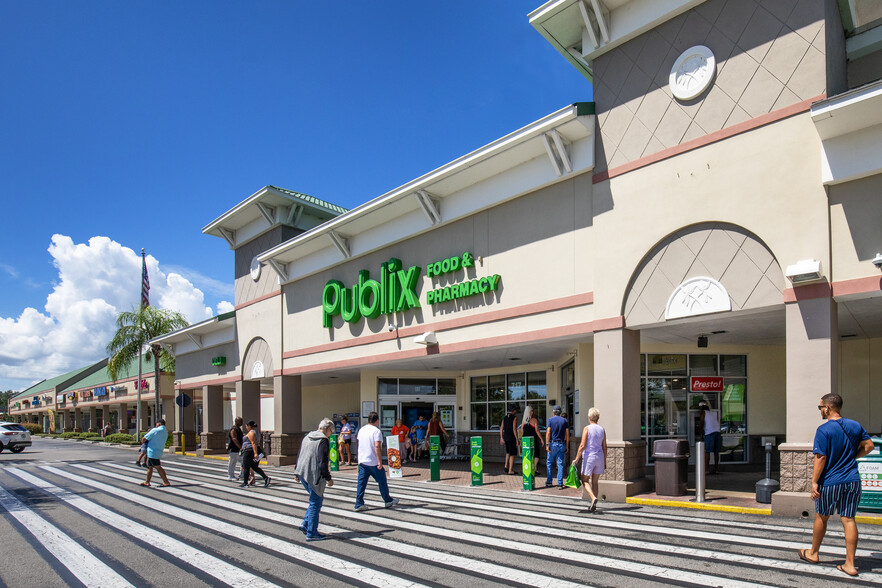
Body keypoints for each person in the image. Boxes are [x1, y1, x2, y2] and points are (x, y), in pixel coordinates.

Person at [798, 393, 874, 577]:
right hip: (853, 480)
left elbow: (821, 457)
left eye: (820, 407)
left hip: (831, 481)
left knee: (821, 517)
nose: (820, 411)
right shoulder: (855, 425)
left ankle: (813, 553)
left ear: (828, 408)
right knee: (849, 520)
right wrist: (852, 457)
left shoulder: (824, 430)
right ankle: (850, 564)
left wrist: (814, 481)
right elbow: (869, 446)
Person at [294, 418, 335, 542]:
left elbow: (300, 454)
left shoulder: (307, 437)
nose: (331, 434)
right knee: (315, 502)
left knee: (315, 499)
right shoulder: (323, 440)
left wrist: (296, 470)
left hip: (302, 472)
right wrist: (328, 478)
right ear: (327, 429)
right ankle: (311, 532)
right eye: (331, 431)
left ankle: (306, 523)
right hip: (314, 475)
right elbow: (322, 462)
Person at [354, 412, 398, 511]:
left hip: (362, 461)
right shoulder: (376, 431)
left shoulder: (362, 430)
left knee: (361, 483)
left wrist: (359, 457)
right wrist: (380, 461)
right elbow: (377, 446)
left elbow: (359, 443)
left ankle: (359, 503)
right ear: (377, 420)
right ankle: (387, 500)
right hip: (373, 461)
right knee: (382, 481)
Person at [575, 407, 606, 513]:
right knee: (595, 482)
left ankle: (593, 498)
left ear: (589, 417)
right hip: (599, 456)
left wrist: (577, 458)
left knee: (584, 480)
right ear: (598, 418)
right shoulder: (602, 429)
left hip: (589, 457)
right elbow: (604, 446)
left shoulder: (587, 428)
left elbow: (582, 445)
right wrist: (605, 460)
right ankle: (594, 504)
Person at [139, 419, 170, 488]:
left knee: (158, 467)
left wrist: (143, 442)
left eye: (156, 424)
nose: (156, 425)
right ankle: (147, 482)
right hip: (158, 450)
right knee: (150, 467)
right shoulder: (165, 431)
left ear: (158, 424)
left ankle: (166, 482)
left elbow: (144, 438)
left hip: (152, 451)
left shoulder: (155, 430)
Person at [240, 420, 270, 488]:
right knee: (254, 466)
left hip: (250, 451)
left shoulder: (251, 433)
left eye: (247, 426)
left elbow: (253, 443)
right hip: (256, 451)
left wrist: (255, 453)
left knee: (246, 467)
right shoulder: (257, 432)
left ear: (249, 426)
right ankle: (266, 478)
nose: (246, 427)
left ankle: (245, 483)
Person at [545, 405, 569, 489]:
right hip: (561, 444)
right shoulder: (564, 421)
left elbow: (548, 432)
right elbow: (567, 434)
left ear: (553, 412)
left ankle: (549, 482)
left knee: (549, 463)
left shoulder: (550, 420)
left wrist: (547, 444)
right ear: (560, 412)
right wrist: (567, 445)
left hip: (553, 444)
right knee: (560, 464)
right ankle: (560, 483)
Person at [698, 401, 721, 474]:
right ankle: (716, 469)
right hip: (717, 432)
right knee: (716, 452)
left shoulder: (703, 412)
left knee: (707, 452)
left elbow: (702, 423)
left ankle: (707, 469)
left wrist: (701, 434)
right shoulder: (714, 413)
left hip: (709, 433)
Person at [520, 405, 544, 473]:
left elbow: (522, 431)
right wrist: (541, 439)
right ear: (530, 412)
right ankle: (532, 468)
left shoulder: (523, 421)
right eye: (532, 411)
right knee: (536, 454)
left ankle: (534, 469)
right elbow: (537, 431)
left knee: (527, 455)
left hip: (525, 440)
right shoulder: (534, 420)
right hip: (533, 439)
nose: (532, 412)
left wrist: (521, 440)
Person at [500, 405, 519, 475]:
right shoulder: (514, 418)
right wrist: (517, 439)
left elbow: (501, 428)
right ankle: (510, 470)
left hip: (506, 437)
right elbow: (514, 428)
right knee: (512, 454)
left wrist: (501, 437)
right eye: (515, 410)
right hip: (512, 437)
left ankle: (506, 466)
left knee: (508, 452)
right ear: (513, 411)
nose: (516, 411)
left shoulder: (504, 418)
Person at [227, 417, 243, 481]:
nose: (242, 423)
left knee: (242, 461)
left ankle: (242, 474)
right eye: (240, 421)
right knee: (232, 462)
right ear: (236, 421)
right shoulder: (233, 429)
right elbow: (234, 439)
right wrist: (240, 447)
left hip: (238, 449)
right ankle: (230, 475)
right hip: (233, 449)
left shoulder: (238, 429)